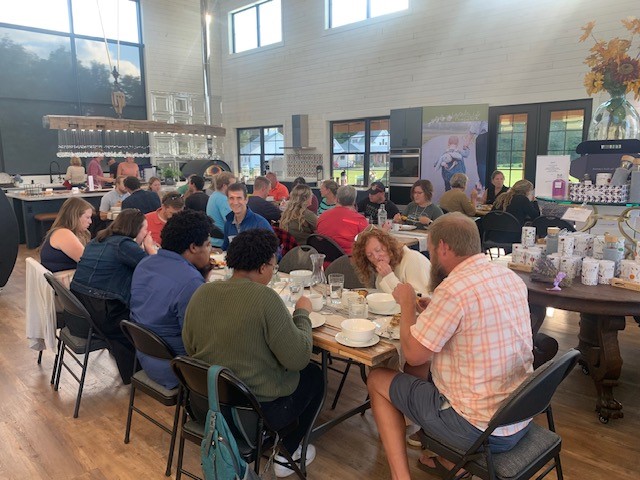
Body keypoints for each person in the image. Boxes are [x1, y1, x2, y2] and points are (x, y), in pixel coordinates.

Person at [367, 213, 533, 478]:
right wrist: (435, 309)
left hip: (479, 430)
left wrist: (407, 304)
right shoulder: (509, 277)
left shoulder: (454, 289)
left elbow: (413, 355)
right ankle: (444, 456)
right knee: (421, 374)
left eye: (431, 250)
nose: (432, 257)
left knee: (377, 378)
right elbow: (478, 319)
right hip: (519, 414)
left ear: (443, 247)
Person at [183, 229, 324, 476]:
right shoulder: (265, 298)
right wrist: (302, 313)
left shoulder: (202, 292)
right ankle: (288, 452)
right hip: (253, 416)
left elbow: (189, 347)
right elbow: (299, 358)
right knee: (314, 375)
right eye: (273, 265)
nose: (273, 270)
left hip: (205, 404)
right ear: (263, 267)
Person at [130, 210, 215, 389]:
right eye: (208, 245)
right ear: (193, 247)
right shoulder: (190, 281)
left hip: (147, 356)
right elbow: (197, 342)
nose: (210, 250)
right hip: (176, 368)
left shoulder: (145, 263)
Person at [70, 209, 157, 384]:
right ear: (135, 229)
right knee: (152, 315)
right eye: (144, 229)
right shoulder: (124, 245)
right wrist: (149, 248)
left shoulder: (97, 240)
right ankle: (144, 375)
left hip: (80, 308)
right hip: (105, 313)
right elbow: (156, 269)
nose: (147, 233)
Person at [352, 227, 430, 295]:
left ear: (388, 245)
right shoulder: (384, 267)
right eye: (370, 255)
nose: (376, 257)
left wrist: (389, 276)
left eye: (378, 250)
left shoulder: (412, 258)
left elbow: (420, 300)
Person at [40, 197, 93, 272]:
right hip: (61, 280)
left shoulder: (74, 233)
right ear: (75, 217)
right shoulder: (63, 234)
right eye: (87, 217)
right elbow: (88, 261)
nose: (90, 221)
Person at [316, 185, 368, 255]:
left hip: (326, 261)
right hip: (349, 261)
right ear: (354, 201)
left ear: (337, 199)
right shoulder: (360, 220)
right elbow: (367, 243)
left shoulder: (322, 216)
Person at [221, 182, 272, 250]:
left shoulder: (260, 223)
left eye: (239, 198)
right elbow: (225, 248)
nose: (235, 202)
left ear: (246, 200)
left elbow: (274, 251)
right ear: (227, 200)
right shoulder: (228, 223)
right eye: (231, 198)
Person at [206, 171, 236, 248]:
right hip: (222, 242)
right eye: (233, 185)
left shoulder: (214, 196)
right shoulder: (222, 200)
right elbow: (231, 221)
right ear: (224, 186)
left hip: (214, 240)